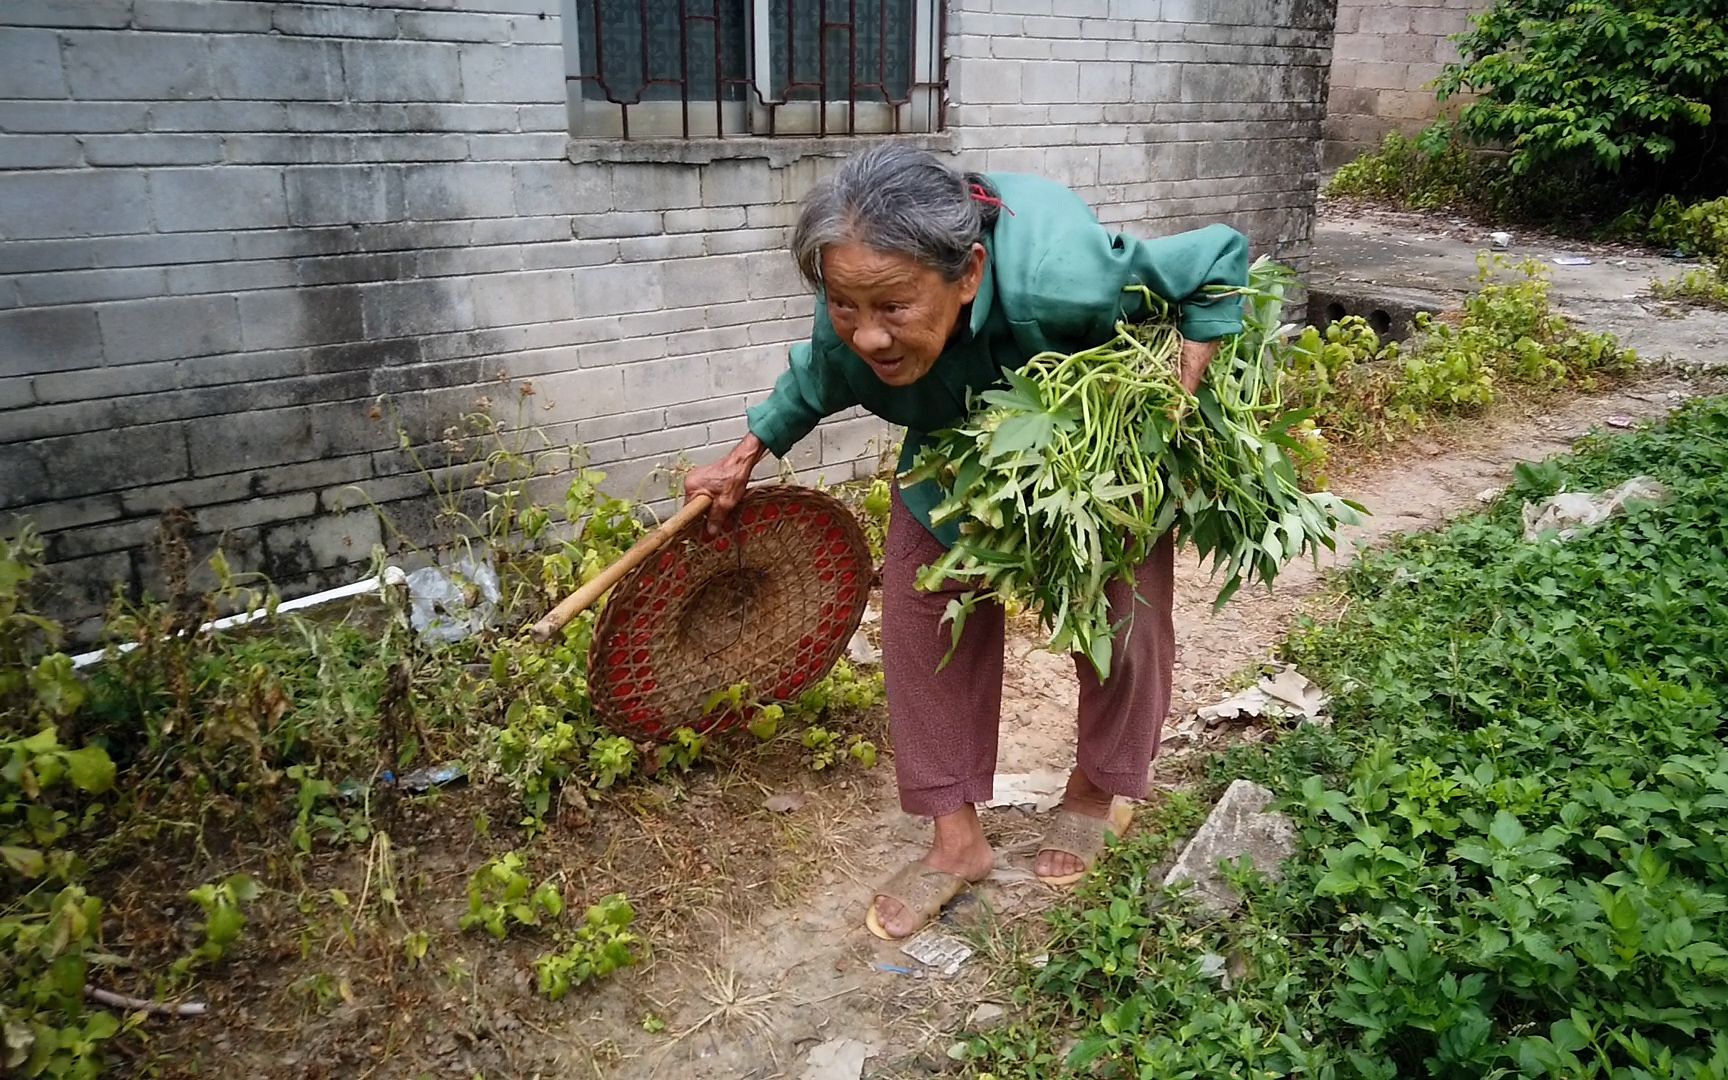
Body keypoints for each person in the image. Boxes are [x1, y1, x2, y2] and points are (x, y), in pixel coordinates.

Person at [682, 144, 1249, 940]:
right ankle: (956, 844)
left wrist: (1169, 400)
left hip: (1085, 426)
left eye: (892, 308)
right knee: (921, 608)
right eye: (846, 306)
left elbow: (1216, 258)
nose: (869, 337)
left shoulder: (1065, 279)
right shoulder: (853, 297)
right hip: (955, 437)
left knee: (1124, 605)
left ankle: (1094, 791)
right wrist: (742, 458)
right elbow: (819, 372)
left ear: (969, 274)